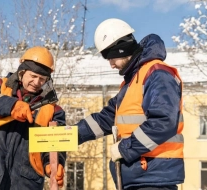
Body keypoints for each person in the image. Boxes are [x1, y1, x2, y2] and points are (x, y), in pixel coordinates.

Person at [77, 18, 184, 190]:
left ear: (122, 48)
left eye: (110, 57)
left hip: (152, 177)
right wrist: (70, 135)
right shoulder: (132, 81)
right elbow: (104, 119)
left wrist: (126, 148)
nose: (111, 64)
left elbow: (164, 122)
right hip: (137, 176)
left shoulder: (157, 74)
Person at [0, 46, 66, 190]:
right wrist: (11, 106)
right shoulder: (0, 86)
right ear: (21, 72)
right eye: (33, 76)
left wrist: (54, 164)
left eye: (42, 79)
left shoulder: (53, 109)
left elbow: (55, 145)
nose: (37, 82)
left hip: (26, 183)